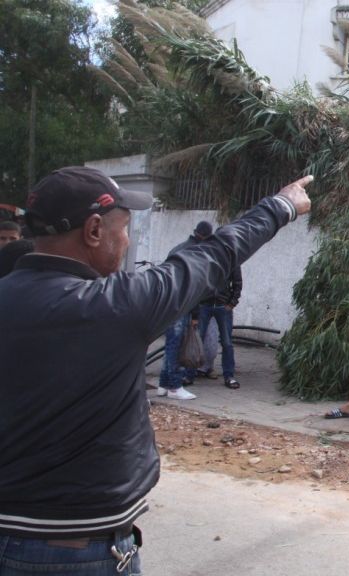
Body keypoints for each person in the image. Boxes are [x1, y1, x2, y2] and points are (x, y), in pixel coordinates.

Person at [0, 166, 311, 574]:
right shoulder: (115, 307)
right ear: (94, 230)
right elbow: (213, 255)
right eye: (124, 228)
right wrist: (282, 205)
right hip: (77, 551)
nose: (126, 241)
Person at [156, 221, 215, 400]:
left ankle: (164, 384)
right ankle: (174, 386)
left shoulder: (178, 249)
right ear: (206, 236)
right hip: (182, 305)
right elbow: (195, 287)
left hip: (169, 303)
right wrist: (195, 314)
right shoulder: (197, 253)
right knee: (178, 346)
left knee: (170, 345)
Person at [198, 227, 243, 389]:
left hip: (223, 306)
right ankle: (189, 373)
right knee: (197, 338)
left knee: (227, 342)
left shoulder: (232, 258)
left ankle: (229, 375)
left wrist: (231, 303)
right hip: (206, 304)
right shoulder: (206, 255)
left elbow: (237, 283)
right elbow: (199, 280)